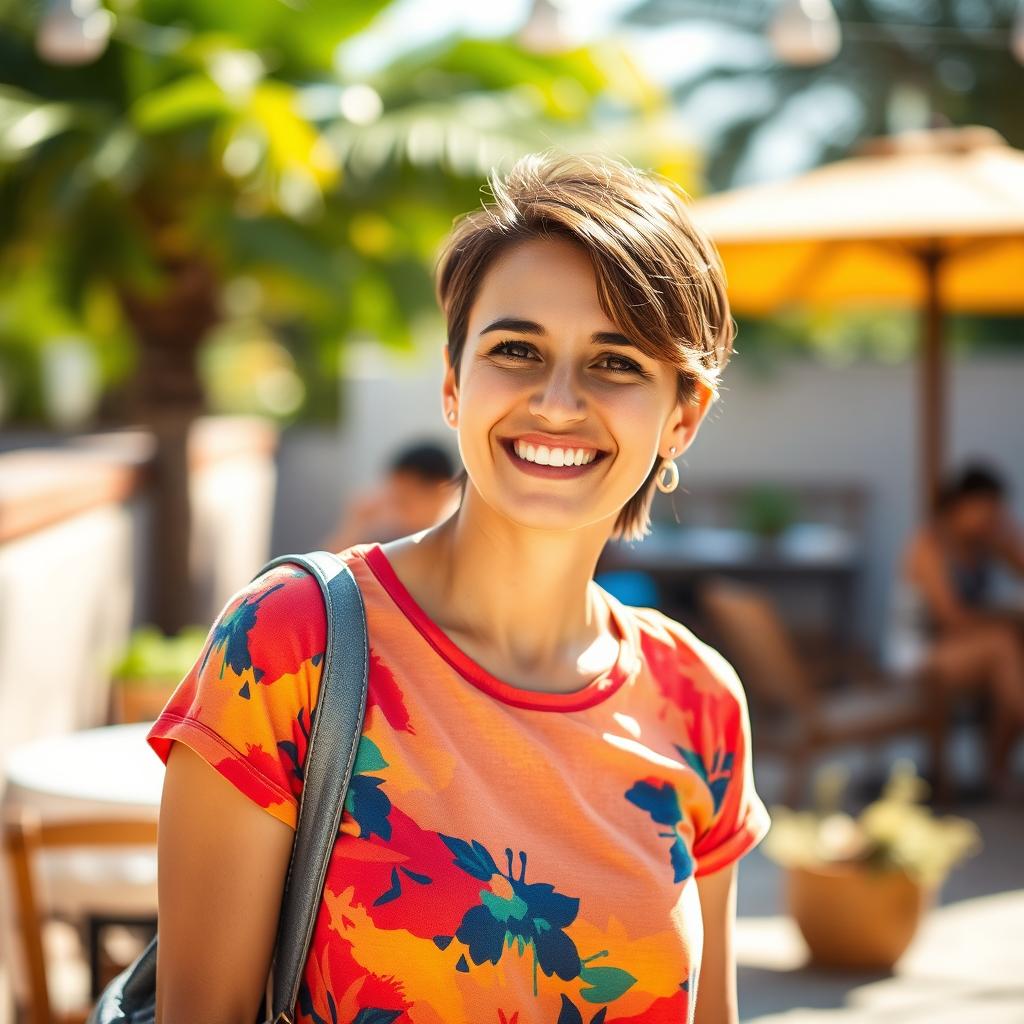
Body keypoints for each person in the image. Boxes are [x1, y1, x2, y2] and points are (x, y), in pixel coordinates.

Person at [148, 153, 771, 1024]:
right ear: (452, 383)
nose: (557, 403)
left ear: (683, 416)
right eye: (516, 350)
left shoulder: (699, 701)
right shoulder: (290, 647)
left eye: (617, 362)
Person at [890, 463, 1024, 791]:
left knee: (1010, 651)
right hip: (917, 656)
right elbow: (951, 620)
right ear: (960, 505)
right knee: (1003, 647)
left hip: (965, 650)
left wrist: (1010, 541)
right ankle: (997, 770)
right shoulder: (928, 545)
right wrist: (1006, 618)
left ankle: (996, 771)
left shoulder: (983, 544)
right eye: (986, 508)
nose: (991, 516)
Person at [324, 440, 461, 550]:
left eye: (404, 502)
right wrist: (355, 524)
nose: (397, 513)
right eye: (393, 501)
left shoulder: (462, 541)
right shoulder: (391, 543)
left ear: (441, 490)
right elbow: (325, 577)